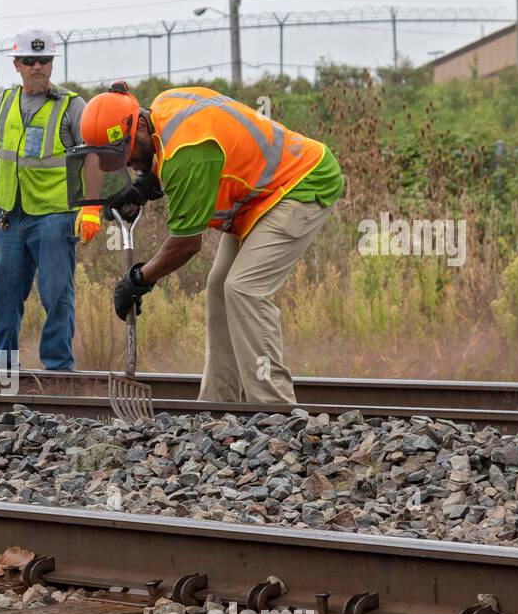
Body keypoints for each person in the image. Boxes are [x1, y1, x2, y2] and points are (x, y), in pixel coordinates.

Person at [80, 82, 343, 404]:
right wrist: (148, 181)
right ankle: (220, 403)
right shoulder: (165, 106)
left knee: (244, 289)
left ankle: (275, 408)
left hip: (302, 183)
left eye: (128, 154)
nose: (129, 165)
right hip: (260, 197)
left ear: (141, 126)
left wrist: (139, 279)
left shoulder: (186, 153)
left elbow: (186, 244)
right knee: (220, 287)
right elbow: (213, 141)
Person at [0, 27, 101, 371]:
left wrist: (92, 207)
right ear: (17, 65)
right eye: (29, 60)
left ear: (52, 64)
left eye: (44, 60)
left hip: (55, 217)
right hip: (10, 217)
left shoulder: (72, 105)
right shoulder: (4, 102)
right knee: (3, 296)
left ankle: (58, 372)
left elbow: (92, 157)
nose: (37, 66)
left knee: (57, 296)